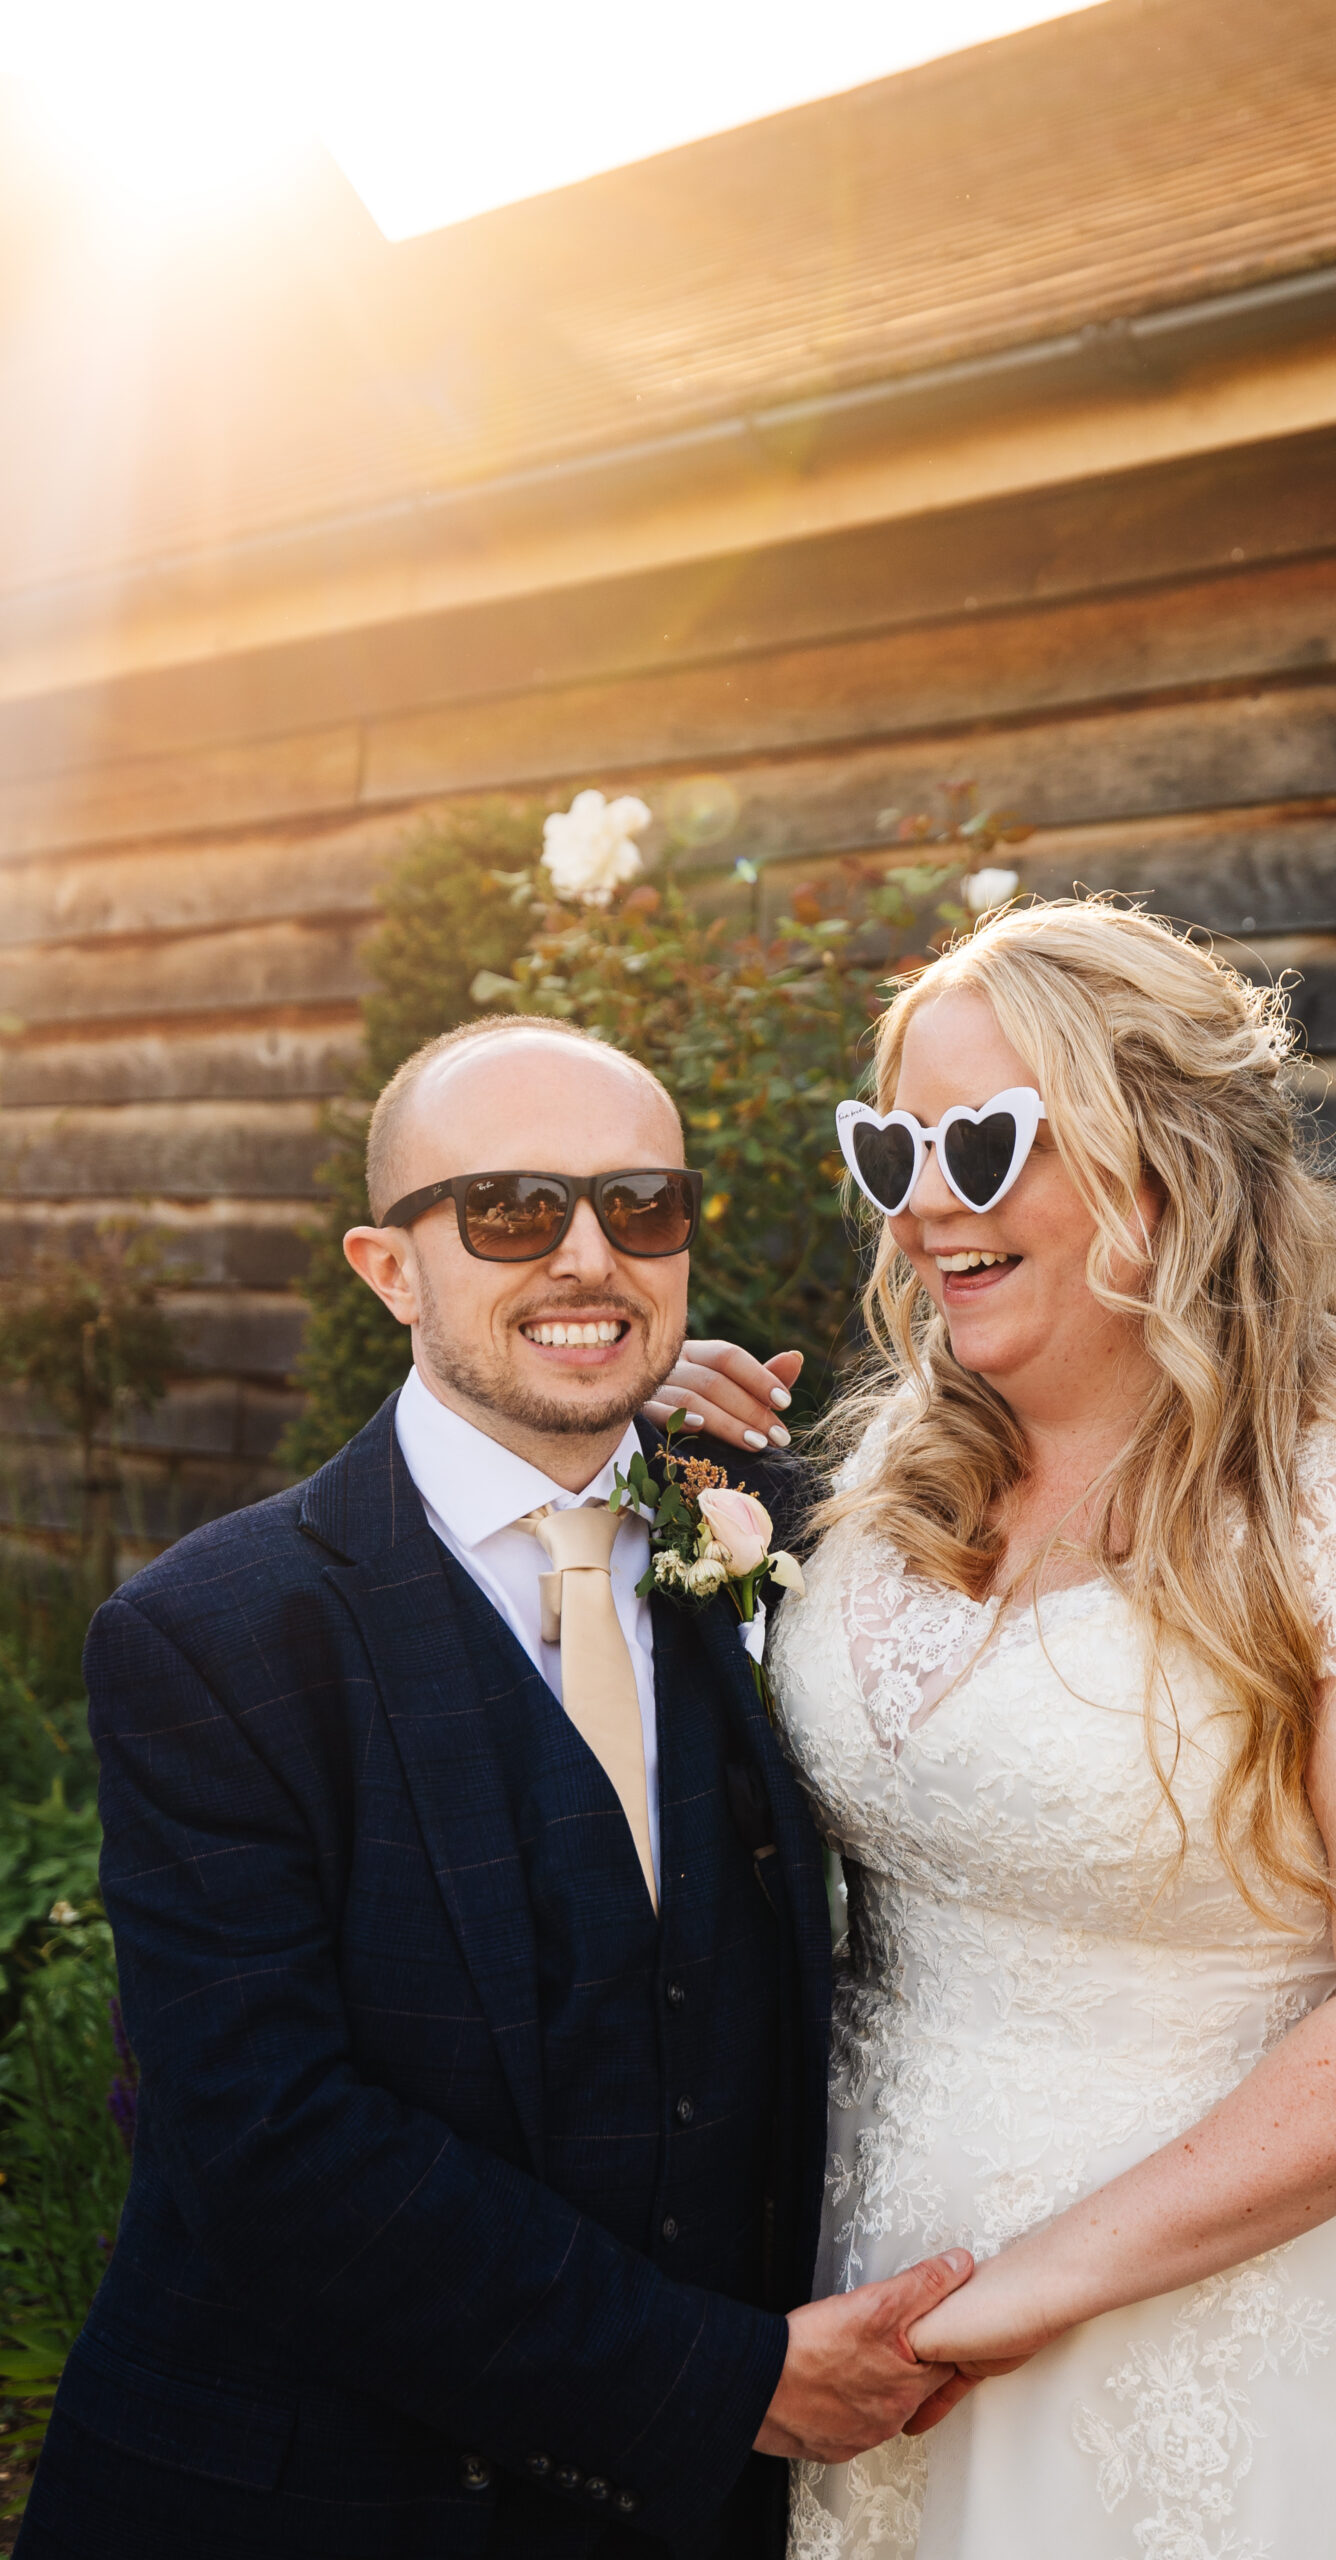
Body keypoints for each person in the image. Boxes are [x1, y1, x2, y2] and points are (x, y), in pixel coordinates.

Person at [764, 899, 1336, 2560]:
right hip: (859, 2266)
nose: (921, 1203)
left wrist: (1012, 2298)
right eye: (889, 1142)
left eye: (980, 1143)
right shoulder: (888, 1474)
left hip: (1259, 2325)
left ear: (1161, 1162)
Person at [20, 1016, 976, 2560]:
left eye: (641, 1207)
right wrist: (729, 2383)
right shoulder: (210, 1641)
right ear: (389, 1268)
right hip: (316, 2506)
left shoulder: (776, 1543)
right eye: (512, 1213)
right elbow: (271, 2148)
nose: (589, 1258)